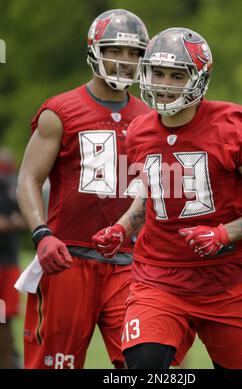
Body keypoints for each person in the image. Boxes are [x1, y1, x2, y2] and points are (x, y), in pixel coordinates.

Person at [92, 27, 242, 369]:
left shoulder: (233, 126)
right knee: (142, 366)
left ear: (199, 78)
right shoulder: (140, 131)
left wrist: (223, 233)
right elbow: (150, 198)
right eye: (157, 73)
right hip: (159, 277)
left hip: (224, 280)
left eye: (176, 75)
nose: (164, 83)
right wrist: (122, 228)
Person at [16, 9, 150, 369]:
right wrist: (41, 234)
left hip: (129, 262)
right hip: (67, 260)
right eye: (116, 50)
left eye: (134, 53)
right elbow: (29, 178)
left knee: (146, 364)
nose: (125, 61)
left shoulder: (150, 118)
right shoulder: (60, 111)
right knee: (54, 365)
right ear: (95, 51)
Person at [0, 148, 24, 369]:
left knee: (4, 318)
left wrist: (15, 221)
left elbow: (23, 216)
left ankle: (9, 361)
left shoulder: (12, 187)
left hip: (8, 263)